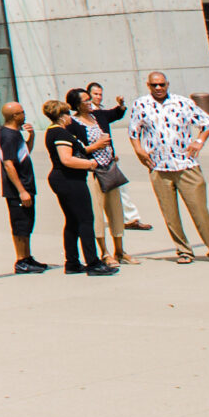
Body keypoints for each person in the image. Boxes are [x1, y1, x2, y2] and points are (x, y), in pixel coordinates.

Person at [129, 70, 209, 264]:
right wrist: (139, 150)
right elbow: (134, 131)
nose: (158, 88)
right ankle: (183, 251)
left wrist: (199, 141)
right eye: (154, 85)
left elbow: (207, 123)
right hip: (159, 167)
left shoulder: (182, 103)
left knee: (199, 209)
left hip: (186, 165)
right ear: (148, 86)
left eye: (161, 84)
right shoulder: (141, 104)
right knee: (170, 213)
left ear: (167, 84)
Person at [43, 99, 116, 276]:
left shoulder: (56, 132)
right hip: (69, 180)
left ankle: (72, 262)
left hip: (65, 179)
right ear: (61, 116)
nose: (70, 117)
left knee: (73, 221)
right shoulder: (59, 133)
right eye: (67, 114)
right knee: (85, 220)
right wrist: (90, 164)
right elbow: (66, 159)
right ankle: (93, 262)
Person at [67, 85, 136, 264]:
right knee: (97, 213)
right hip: (92, 171)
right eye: (86, 100)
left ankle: (120, 250)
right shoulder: (73, 124)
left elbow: (116, 114)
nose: (91, 102)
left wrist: (121, 106)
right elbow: (75, 151)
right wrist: (95, 146)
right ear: (76, 104)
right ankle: (104, 252)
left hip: (110, 168)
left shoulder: (98, 116)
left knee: (116, 211)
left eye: (90, 99)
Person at [83, 83, 154, 232]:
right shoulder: (85, 116)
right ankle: (97, 220)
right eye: (95, 94)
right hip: (92, 160)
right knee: (99, 194)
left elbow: (114, 114)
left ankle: (130, 218)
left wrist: (121, 105)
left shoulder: (99, 113)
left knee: (120, 189)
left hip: (107, 159)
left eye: (100, 94)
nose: (98, 97)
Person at [0, 100, 46, 274]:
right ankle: (20, 260)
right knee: (19, 225)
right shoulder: (8, 136)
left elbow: (24, 153)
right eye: (21, 112)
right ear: (14, 116)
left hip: (26, 185)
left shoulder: (15, 133)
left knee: (27, 224)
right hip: (18, 190)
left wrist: (31, 137)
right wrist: (21, 191)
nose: (24, 114)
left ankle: (27, 256)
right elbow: (9, 164)